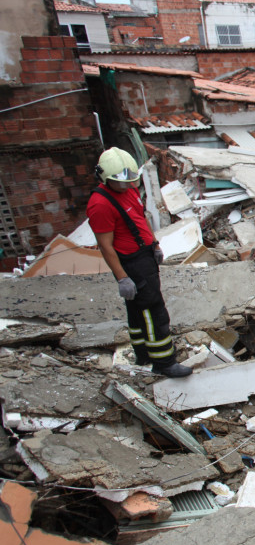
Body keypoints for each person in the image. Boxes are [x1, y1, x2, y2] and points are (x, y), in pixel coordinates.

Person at [87, 148, 191, 378]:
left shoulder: (129, 190)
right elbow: (105, 245)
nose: (126, 186)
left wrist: (153, 244)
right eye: (121, 183)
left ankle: (143, 354)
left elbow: (140, 218)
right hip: (130, 262)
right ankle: (164, 362)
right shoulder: (100, 204)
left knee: (135, 312)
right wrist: (122, 277)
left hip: (143, 255)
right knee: (153, 312)